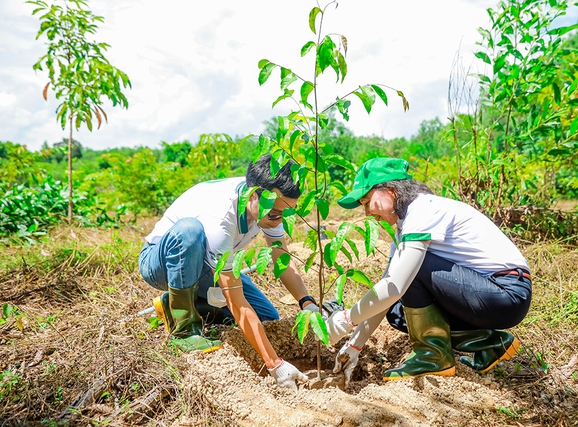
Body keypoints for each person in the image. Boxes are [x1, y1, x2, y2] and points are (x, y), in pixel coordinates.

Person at [325, 157, 532, 384]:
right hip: (486, 294)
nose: (367, 213)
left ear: (390, 190)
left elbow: (394, 285)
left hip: (505, 293)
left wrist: (345, 319)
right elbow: (385, 292)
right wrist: (354, 344)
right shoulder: (407, 226)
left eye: (366, 202)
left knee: (409, 271)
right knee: (395, 311)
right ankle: (488, 343)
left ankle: (433, 356)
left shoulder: (422, 209)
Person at [138, 154, 320, 390]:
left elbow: (281, 258)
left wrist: (307, 303)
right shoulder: (220, 219)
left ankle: (175, 303)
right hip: (162, 263)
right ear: (254, 195)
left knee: (267, 320)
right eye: (275, 213)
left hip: (208, 264)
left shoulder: (271, 205)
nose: (280, 220)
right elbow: (236, 301)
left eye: (288, 213)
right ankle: (183, 326)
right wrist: (275, 365)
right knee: (189, 231)